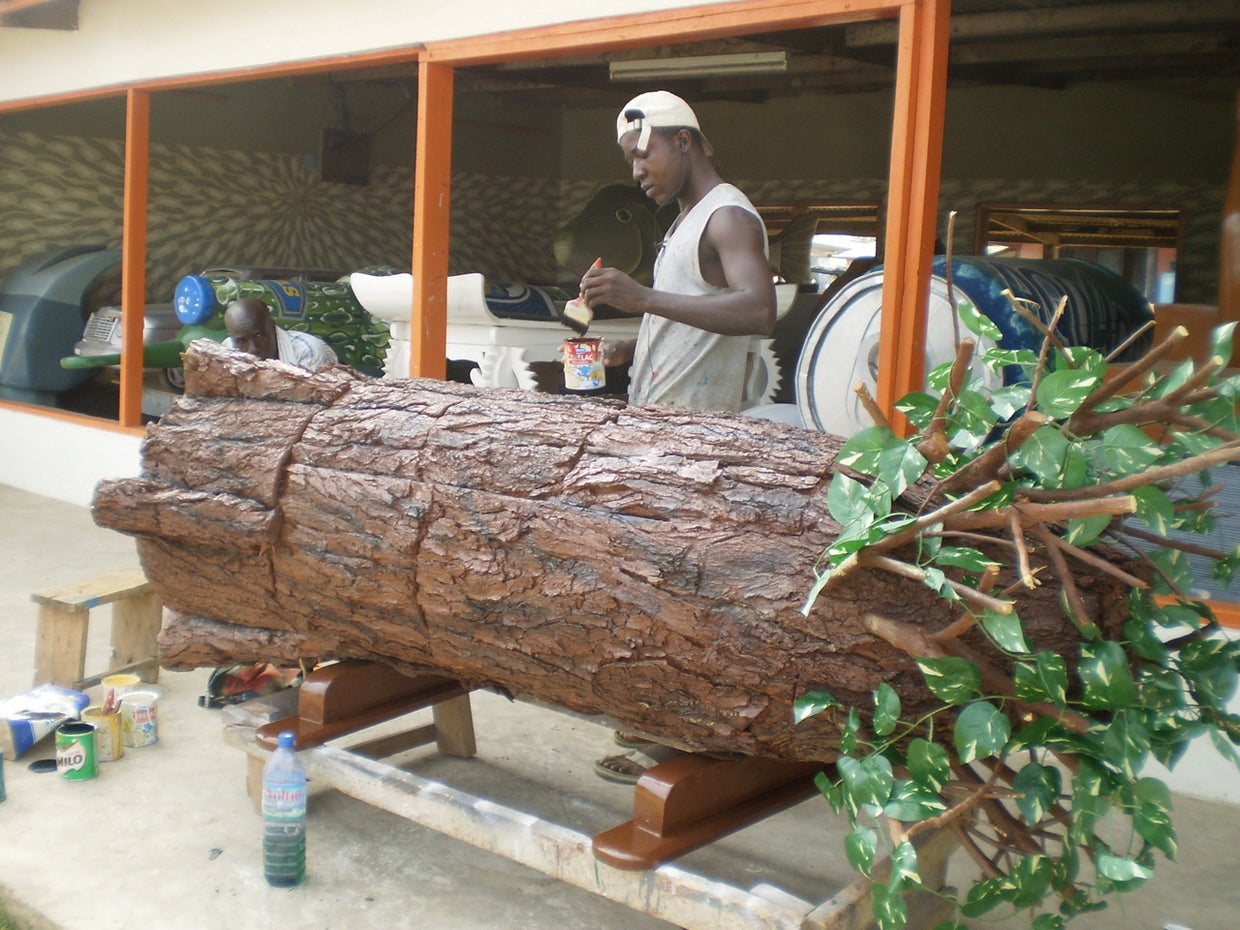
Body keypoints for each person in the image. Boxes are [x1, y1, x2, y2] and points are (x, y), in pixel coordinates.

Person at [580, 90, 776, 783]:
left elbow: (758, 309)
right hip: (662, 436)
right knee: (657, 586)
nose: (638, 170)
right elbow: (693, 317)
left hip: (701, 447)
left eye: (645, 153)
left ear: (684, 141)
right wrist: (629, 347)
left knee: (683, 591)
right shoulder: (686, 222)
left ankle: (691, 738)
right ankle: (667, 718)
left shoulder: (726, 215)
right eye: (631, 160)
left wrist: (642, 299)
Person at [222, 297, 338, 371]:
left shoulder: (307, 352)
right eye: (241, 341)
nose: (252, 349)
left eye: (258, 336)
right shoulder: (226, 350)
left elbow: (304, 405)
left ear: (273, 328)